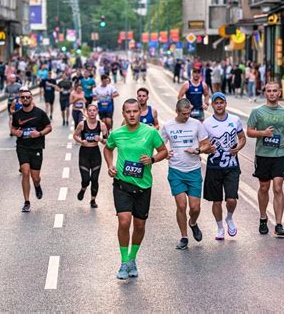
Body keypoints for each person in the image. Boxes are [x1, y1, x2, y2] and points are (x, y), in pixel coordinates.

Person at [104, 98, 168, 280]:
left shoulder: (150, 133)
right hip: (122, 184)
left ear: (140, 112)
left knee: (139, 226)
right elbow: (107, 149)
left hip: (143, 186)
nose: (132, 114)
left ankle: (133, 258)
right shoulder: (117, 134)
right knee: (124, 222)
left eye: (135, 111)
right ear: (123, 114)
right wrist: (110, 165)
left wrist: (153, 159)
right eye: (128, 112)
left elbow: (163, 151)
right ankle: (124, 262)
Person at [161, 98, 212, 249]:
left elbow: (206, 144)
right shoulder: (168, 126)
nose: (187, 116)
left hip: (194, 170)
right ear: (176, 112)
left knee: (195, 207)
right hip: (176, 170)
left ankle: (193, 223)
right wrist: (165, 154)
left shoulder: (196, 124)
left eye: (189, 113)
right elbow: (159, 145)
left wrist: (197, 150)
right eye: (184, 114)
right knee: (181, 205)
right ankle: (184, 237)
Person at [246, 82, 284, 237]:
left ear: (279, 93)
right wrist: (263, 133)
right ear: (265, 93)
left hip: (280, 153)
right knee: (263, 187)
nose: (272, 93)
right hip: (263, 154)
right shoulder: (257, 112)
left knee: (278, 187)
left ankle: (279, 224)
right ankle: (263, 218)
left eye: (275, 91)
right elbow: (249, 132)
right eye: (269, 91)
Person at [203, 92, 246, 240]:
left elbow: (242, 138)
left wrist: (238, 147)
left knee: (231, 199)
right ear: (213, 105)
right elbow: (202, 144)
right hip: (214, 166)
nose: (219, 105)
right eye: (216, 103)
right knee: (216, 201)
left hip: (231, 165)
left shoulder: (235, 120)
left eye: (221, 102)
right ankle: (220, 227)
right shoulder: (206, 123)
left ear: (225, 104)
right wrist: (207, 149)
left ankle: (229, 218)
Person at [11, 87, 52, 212]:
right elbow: (13, 129)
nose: (25, 99)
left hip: (36, 147)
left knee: (35, 177)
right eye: (23, 97)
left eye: (27, 97)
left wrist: (39, 134)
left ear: (31, 98)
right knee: (25, 172)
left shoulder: (39, 113)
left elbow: (49, 127)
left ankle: (37, 185)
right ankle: (27, 202)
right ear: (20, 99)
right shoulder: (17, 114)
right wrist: (15, 133)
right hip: (22, 146)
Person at [73, 104, 108, 208]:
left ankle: (93, 200)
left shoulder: (102, 125)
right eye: (90, 110)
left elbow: (107, 141)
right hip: (84, 153)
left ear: (97, 112)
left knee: (94, 178)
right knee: (86, 179)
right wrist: (81, 141)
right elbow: (75, 135)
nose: (92, 112)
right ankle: (83, 188)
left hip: (95, 153)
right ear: (87, 112)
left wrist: (101, 139)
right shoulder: (82, 124)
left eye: (94, 110)